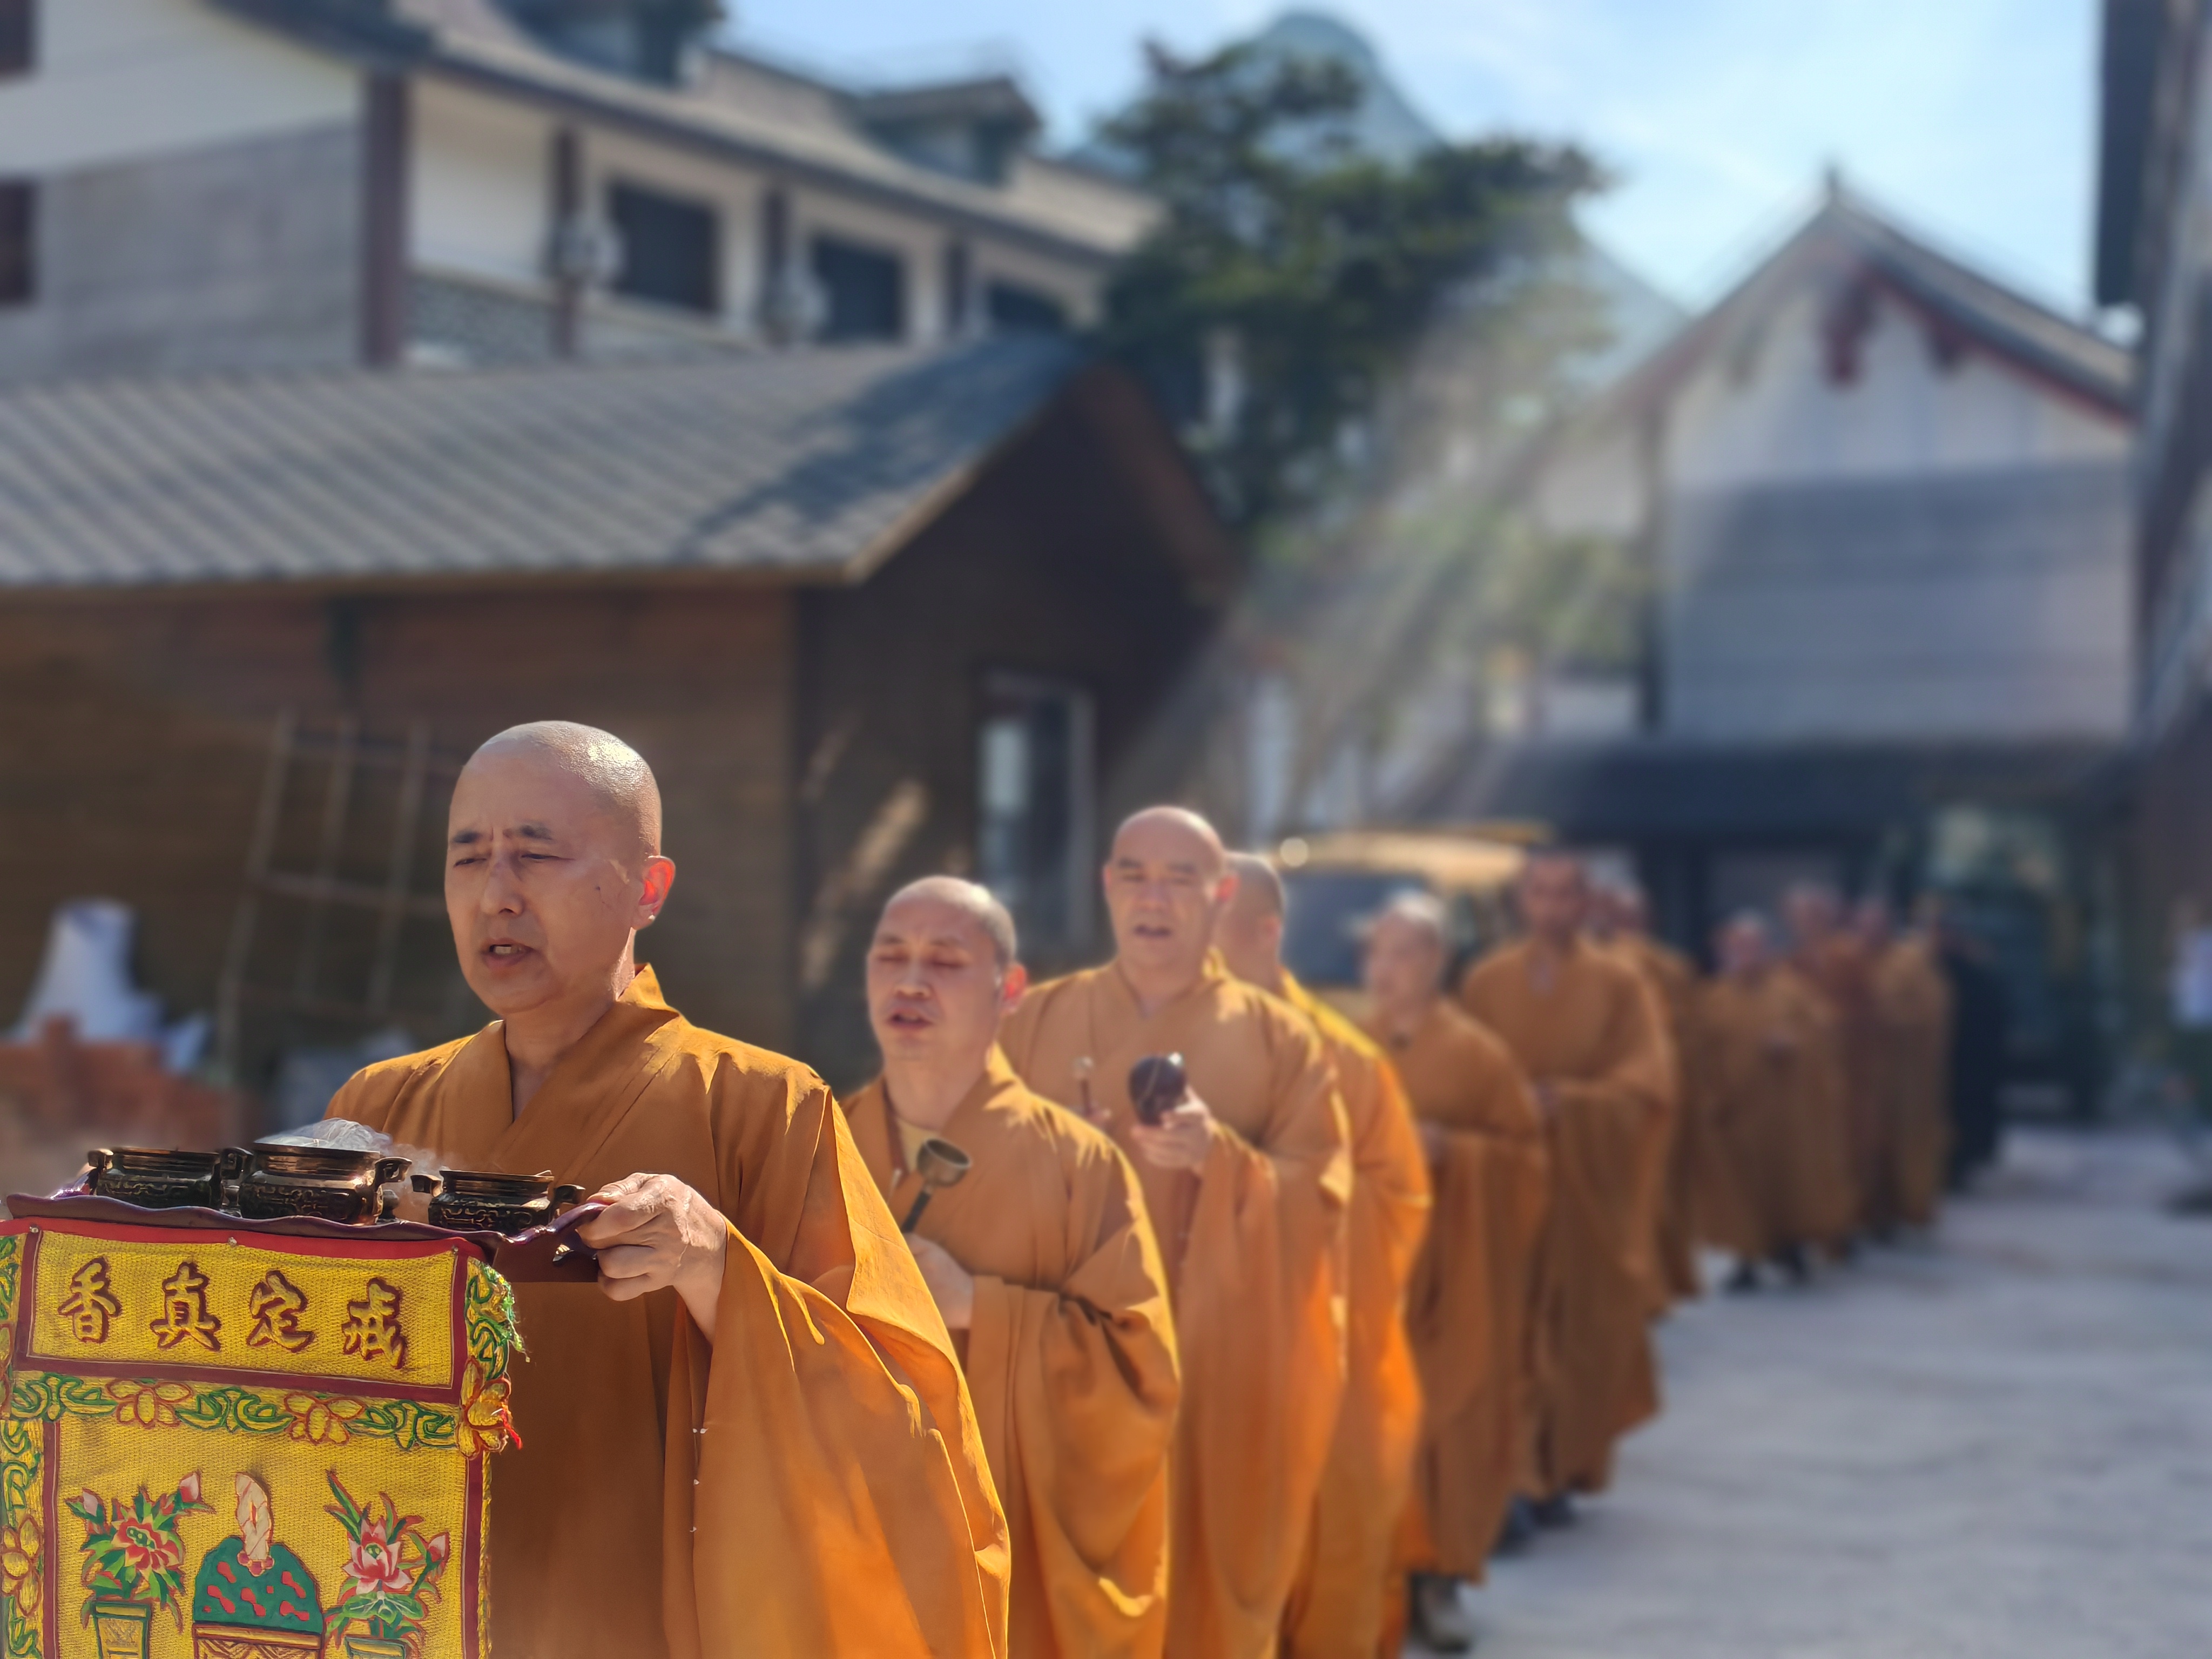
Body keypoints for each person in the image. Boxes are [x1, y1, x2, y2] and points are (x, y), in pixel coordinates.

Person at [327, 722, 1009, 1658]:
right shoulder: (377, 1107)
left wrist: (722, 1271)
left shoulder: (764, 1106)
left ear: (649, 888)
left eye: (536, 853)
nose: (496, 894)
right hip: (420, 1620)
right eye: (468, 857)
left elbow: (900, 1423)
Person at [1000, 807, 1351, 1659]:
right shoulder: (1036, 1023)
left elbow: (1325, 1198)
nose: (1153, 898)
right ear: (1107, 887)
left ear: (1220, 896)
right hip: (1067, 1367)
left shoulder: (1280, 1041)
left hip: (1210, 1377)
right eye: (1134, 874)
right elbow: (972, 1164)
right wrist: (1056, 1157)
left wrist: (1220, 1160)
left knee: (1197, 1601)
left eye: (1180, 878)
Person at [846, 878, 1180, 1659]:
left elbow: (1142, 1371)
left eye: (947, 961)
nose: (911, 981)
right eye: (890, 956)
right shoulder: (813, 1140)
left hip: (1012, 1547)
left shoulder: (1079, 1165)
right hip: (855, 1531)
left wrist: (981, 1311)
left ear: (1011, 989)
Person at [1213, 855, 1431, 1659]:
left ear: (1268, 932)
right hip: (1209, 1370)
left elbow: (1397, 1205)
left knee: (1330, 1571)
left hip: (1324, 1353)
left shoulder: (1347, 1059)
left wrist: (1284, 1204)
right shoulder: (1169, 1054)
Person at [1361, 894, 1548, 1656]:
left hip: (1461, 1272)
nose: (1384, 969)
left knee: (1451, 1425)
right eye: (1375, 953)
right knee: (1378, 1433)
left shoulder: (1479, 1055)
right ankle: (1382, 1583)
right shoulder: (1347, 1048)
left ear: (1437, 962)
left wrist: (1459, 1154)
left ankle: (1439, 1584)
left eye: (1402, 953)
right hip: (1374, 1275)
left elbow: (1529, 1161)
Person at [1459, 853, 1668, 1513]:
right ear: (1524, 901)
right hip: (1508, 1182)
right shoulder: (1485, 982)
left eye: (1566, 895)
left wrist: (1572, 1103)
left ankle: (1563, 1460)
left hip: (1585, 1188)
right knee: (1510, 1330)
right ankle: (1517, 1475)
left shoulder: (1620, 985)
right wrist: (1509, 1108)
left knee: (1581, 1326)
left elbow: (1650, 1083)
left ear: (1586, 904)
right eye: (1540, 893)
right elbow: (1462, 1073)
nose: (1553, 906)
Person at [1690, 913, 1846, 1287]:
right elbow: (1698, 1053)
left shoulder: (1793, 994)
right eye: (1738, 947)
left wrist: (1795, 1045)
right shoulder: (1713, 999)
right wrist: (1710, 1095)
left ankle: (1791, 1246)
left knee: (1787, 1182)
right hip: (1735, 1112)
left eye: (1754, 946)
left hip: (1785, 1115)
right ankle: (1746, 1260)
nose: (1746, 954)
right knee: (1740, 1189)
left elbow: (1822, 1035)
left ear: (1769, 951)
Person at [1591, 880, 1701, 1306]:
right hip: (1609, 1090)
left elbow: (1686, 1030)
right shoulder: (1596, 965)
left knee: (1655, 1191)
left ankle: (1652, 1281)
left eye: (1631, 917)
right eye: (1618, 916)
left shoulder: (1665, 967)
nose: (1624, 925)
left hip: (1654, 1088)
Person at [1781, 883, 1871, 1246]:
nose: (1806, 922)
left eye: (1813, 914)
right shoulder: (1792, 959)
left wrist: (1824, 1021)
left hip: (1846, 1067)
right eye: (1799, 915)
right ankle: (1814, 1223)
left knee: (1841, 1151)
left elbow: (1866, 1010)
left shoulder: (1846, 955)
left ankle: (1843, 1225)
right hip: (1807, 1072)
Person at [1857, 897, 1955, 1232]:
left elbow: (1932, 1009)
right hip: (1861, 1072)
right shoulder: (1850, 960)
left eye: (1876, 924)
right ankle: (1866, 1209)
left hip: (1903, 1072)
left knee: (1903, 1142)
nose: (1869, 932)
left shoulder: (1909, 962)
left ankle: (1903, 1206)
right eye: (1864, 925)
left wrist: (1889, 1021)